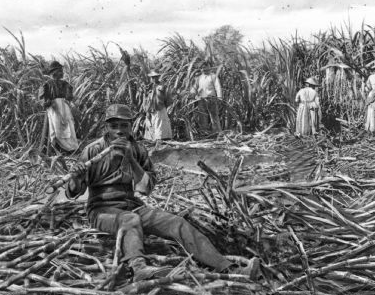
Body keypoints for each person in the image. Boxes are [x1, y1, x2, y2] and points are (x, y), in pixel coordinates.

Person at [66, 104, 260, 281]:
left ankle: (229, 268)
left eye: (124, 125)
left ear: (131, 126)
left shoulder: (138, 149)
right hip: (102, 210)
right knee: (129, 220)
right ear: (106, 127)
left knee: (177, 223)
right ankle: (138, 268)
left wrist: (131, 159)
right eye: (114, 125)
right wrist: (76, 177)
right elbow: (73, 192)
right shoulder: (93, 151)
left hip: (132, 206)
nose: (119, 131)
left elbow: (146, 189)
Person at [39, 61, 79, 153]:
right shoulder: (47, 84)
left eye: (62, 70)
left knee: (69, 126)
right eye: (60, 71)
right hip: (54, 108)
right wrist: (48, 102)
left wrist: (68, 96)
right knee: (55, 127)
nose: (62, 72)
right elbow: (43, 98)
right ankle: (55, 149)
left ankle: (69, 148)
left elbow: (69, 96)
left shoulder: (64, 84)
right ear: (54, 72)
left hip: (64, 107)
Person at [190, 61, 223, 134]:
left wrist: (219, 97)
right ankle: (205, 131)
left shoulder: (213, 76)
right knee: (202, 115)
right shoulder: (199, 78)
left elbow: (218, 87)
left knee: (214, 115)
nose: (205, 69)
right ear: (201, 69)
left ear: (209, 67)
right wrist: (192, 95)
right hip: (201, 99)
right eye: (203, 68)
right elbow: (194, 87)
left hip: (211, 98)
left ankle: (217, 131)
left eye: (206, 67)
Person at [144, 70, 173, 141]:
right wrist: (146, 109)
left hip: (160, 107)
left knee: (160, 124)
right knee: (152, 123)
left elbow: (168, 98)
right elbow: (146, 99)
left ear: (158, 77)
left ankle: (161, 139)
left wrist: (167, 107)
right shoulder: (148, 87)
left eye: (155, 77)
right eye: (152, 77)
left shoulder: (163, 86)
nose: (153, 79)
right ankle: (153, 139)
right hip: (151, 109)